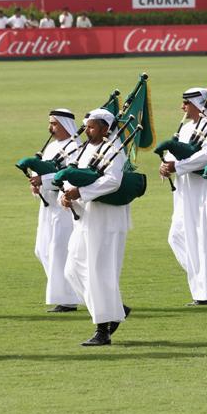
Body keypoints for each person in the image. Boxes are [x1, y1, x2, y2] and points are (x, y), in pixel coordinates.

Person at [60, 109, 131, 345]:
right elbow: (71, 175)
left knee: (98, 273)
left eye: (92, 127)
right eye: (87, 126)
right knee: (72, 269)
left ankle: (103, 329)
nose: (87, 131)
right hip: (85, 218)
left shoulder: (114, 150)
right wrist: (65, 195)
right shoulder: (85, 149)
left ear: (105, 128)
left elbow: (112, 181)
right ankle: (115, 307)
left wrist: (80, 192)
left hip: (106, 220)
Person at [159, 88, 207, 306]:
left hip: (203, 189)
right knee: (177, 236)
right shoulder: (187, 128)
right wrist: (165, 165)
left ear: (198, 104)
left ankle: (206, 292)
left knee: (202, 239)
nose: (182, 107)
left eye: (186, 103)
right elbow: (174, 151)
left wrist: (178, 166)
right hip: (183, 190)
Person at [28, 109, 81, 313]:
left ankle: (69, 299)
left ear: (65, 125)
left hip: (64, 207)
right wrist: (36, 184)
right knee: (42, 249)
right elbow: (42, 169)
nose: (50, 127)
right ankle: (64, 294)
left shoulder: (75, 148)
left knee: (59, 249)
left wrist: (44, 180)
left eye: (54, 123)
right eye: (50, 123)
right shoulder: (51, 147)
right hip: (47, 207)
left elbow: (70, 175)